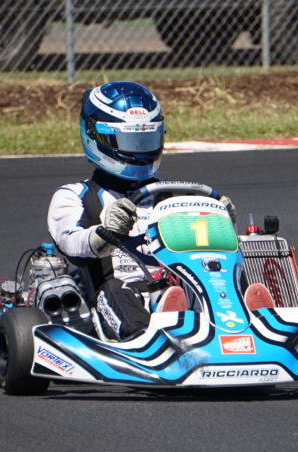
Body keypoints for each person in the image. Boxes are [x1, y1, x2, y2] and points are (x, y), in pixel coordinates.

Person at [47, 80, 235, 340]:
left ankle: (248, 319)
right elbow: (70, 244)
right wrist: (104, 234)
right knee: (116, 291)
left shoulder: (173, 195)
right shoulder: (74, 196)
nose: (142, 152)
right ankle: (147, 337)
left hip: (178, 286)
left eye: (147, 140)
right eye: (132, 142)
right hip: (117, 296)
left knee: (217, 279)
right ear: (98, 136)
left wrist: (218, 216)